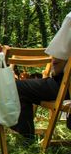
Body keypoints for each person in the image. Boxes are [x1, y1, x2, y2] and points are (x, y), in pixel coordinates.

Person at [13, 11, 71, 141]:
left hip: (67, 89)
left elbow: (58, 57)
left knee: (17, 87)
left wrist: (54, 72)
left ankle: (27, 138)